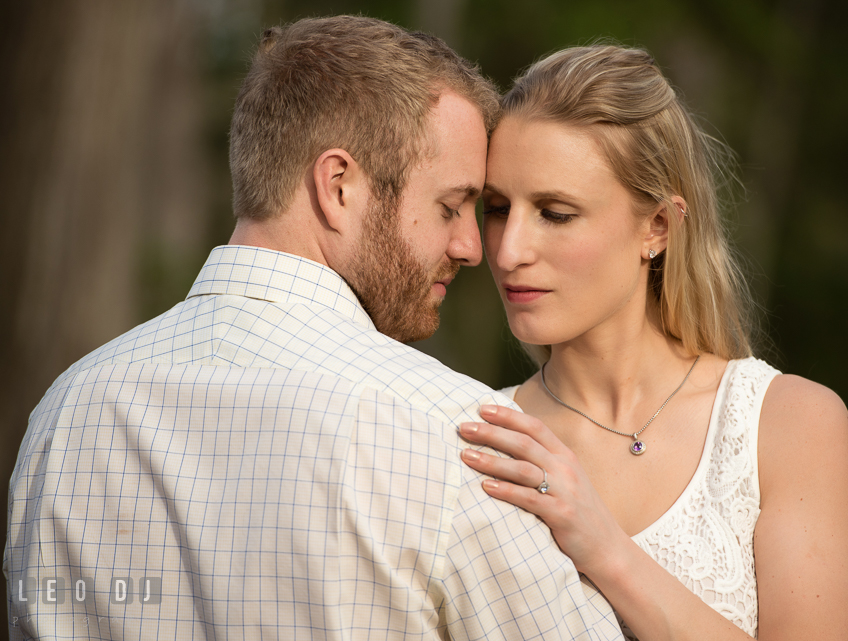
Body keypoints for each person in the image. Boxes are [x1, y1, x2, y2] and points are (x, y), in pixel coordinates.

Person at [4, 18, 625, 640]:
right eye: (449, 206)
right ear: (338, 187)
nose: (471, 246)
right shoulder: (453, 427)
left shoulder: (68, 411)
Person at [458, 45, 848, 640]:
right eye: (497, 208)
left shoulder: (788, 426)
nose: (507, 249)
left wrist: (604, 549)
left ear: (657, 226)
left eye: (554, 212)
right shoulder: (479, 438)